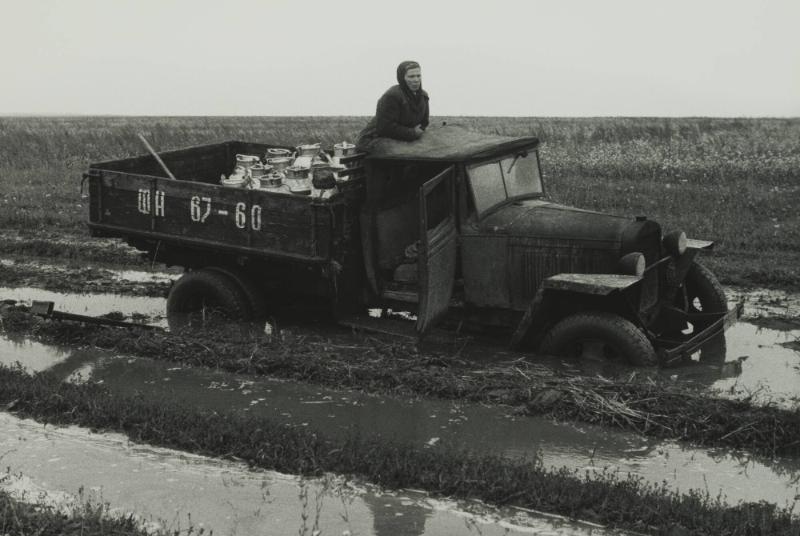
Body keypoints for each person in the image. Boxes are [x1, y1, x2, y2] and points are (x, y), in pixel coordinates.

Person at [356, 61, 429, 150]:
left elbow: (424, 122)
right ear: (402, 78)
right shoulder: (392, 96)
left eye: (418, 76)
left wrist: (419, 130)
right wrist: (412, 133)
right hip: (375, 139)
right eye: (411, 76)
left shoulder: (423, 96)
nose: (416, 80)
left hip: (404, 139)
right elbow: (384, 128)